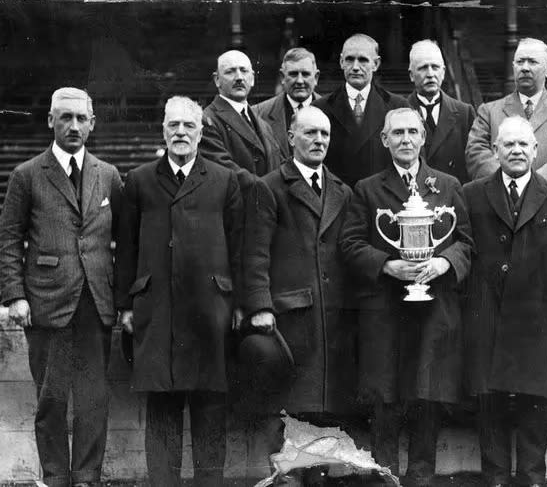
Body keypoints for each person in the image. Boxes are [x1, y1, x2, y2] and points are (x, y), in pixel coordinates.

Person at [339, 108, 473, 486]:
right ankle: (385, 478)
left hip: (434, 309)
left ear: (423, 138)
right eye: (397, 133)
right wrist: (386, 265)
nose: (406, 139)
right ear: (384, 140)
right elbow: (349, 244)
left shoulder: (447, 185)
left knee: (427, 397)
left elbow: (466, 242)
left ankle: (420, 478)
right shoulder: (366, 189)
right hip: (385, 310)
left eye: (413, 132)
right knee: (385, 398)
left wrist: (445, 264)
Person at [115, 96, 243, 487]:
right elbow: (127, 247)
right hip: (157, 309)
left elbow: (239, 246)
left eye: (189, 125)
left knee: (209, 409)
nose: (181, 132)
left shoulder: (224, 180)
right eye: (174, 126)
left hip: (209, 309)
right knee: (163, 408)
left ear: (201, 132)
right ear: (163, 131)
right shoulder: (139, 179)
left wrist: (238, 303)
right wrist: (126, 305)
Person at [0, 87, 123, 487]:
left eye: (80, 118)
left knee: (93, 399)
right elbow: (7, 238)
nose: (73, 125)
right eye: (64, 117)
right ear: (50, 121)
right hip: (47, 301)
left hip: (96, 302)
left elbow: (125, 239)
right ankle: (55, 477)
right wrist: (14, 295)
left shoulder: (109, 175)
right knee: (51, 399)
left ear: (92, 124)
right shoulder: (27, 175)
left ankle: (86, 478)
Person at [462, 116, 547, 487]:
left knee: (533, 399)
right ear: (495, 150)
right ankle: (494, 476)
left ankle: (532, 477)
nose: (516, 150)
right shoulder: (473, 194)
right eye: (508, 144)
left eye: (523, 144)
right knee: (489, 400)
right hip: (488, 308)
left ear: (536, 150)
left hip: (536, 314)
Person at [241, 106, 355, 453]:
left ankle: (319, 474)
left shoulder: (342, 190)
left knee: (326, 406)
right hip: (290, 318)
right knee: (289, 405)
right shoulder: (269, 186)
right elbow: (255, 254)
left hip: (332, 316)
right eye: (310, 133)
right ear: (291, 138)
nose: (318, 140)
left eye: (324, 134)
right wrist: (260, 306)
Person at [465, 38, 547, 188]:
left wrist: (530, 186)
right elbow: (476, 153)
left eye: (532, 62)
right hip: (500, 201)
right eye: (520, 62)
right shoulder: (488, 112)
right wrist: (506, 184)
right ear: (513, 66)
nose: (525, 68)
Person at [314, 33, 409, 187]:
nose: (356, 67)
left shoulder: (398, 107)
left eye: (363, 60)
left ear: (376, 64)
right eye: (350, 59)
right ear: (341, 62)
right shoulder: (320, 109)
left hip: (382, 200)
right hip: (337, 200)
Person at [201, 49, 284, 193]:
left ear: (252, 79)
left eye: (244, 71)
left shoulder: (263, 123)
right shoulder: (207, 120)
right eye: (230, 71)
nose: (239, 77)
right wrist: (271, 187)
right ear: (217, 80)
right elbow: (224, 170)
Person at [405, 39, 475, 184]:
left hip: (451, 195)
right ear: (411, 75)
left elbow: (471, 162)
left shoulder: (464, 113)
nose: (430, 74)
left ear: (443, 72)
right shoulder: (399, 112)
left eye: (435, 67)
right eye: (423, 68)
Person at [253, 47, 322, 160]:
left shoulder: (332, 112)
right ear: (282, 77)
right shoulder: (258, 114)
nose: (300, 81)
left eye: (305, 74)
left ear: (316, 77)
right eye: (293, 74)